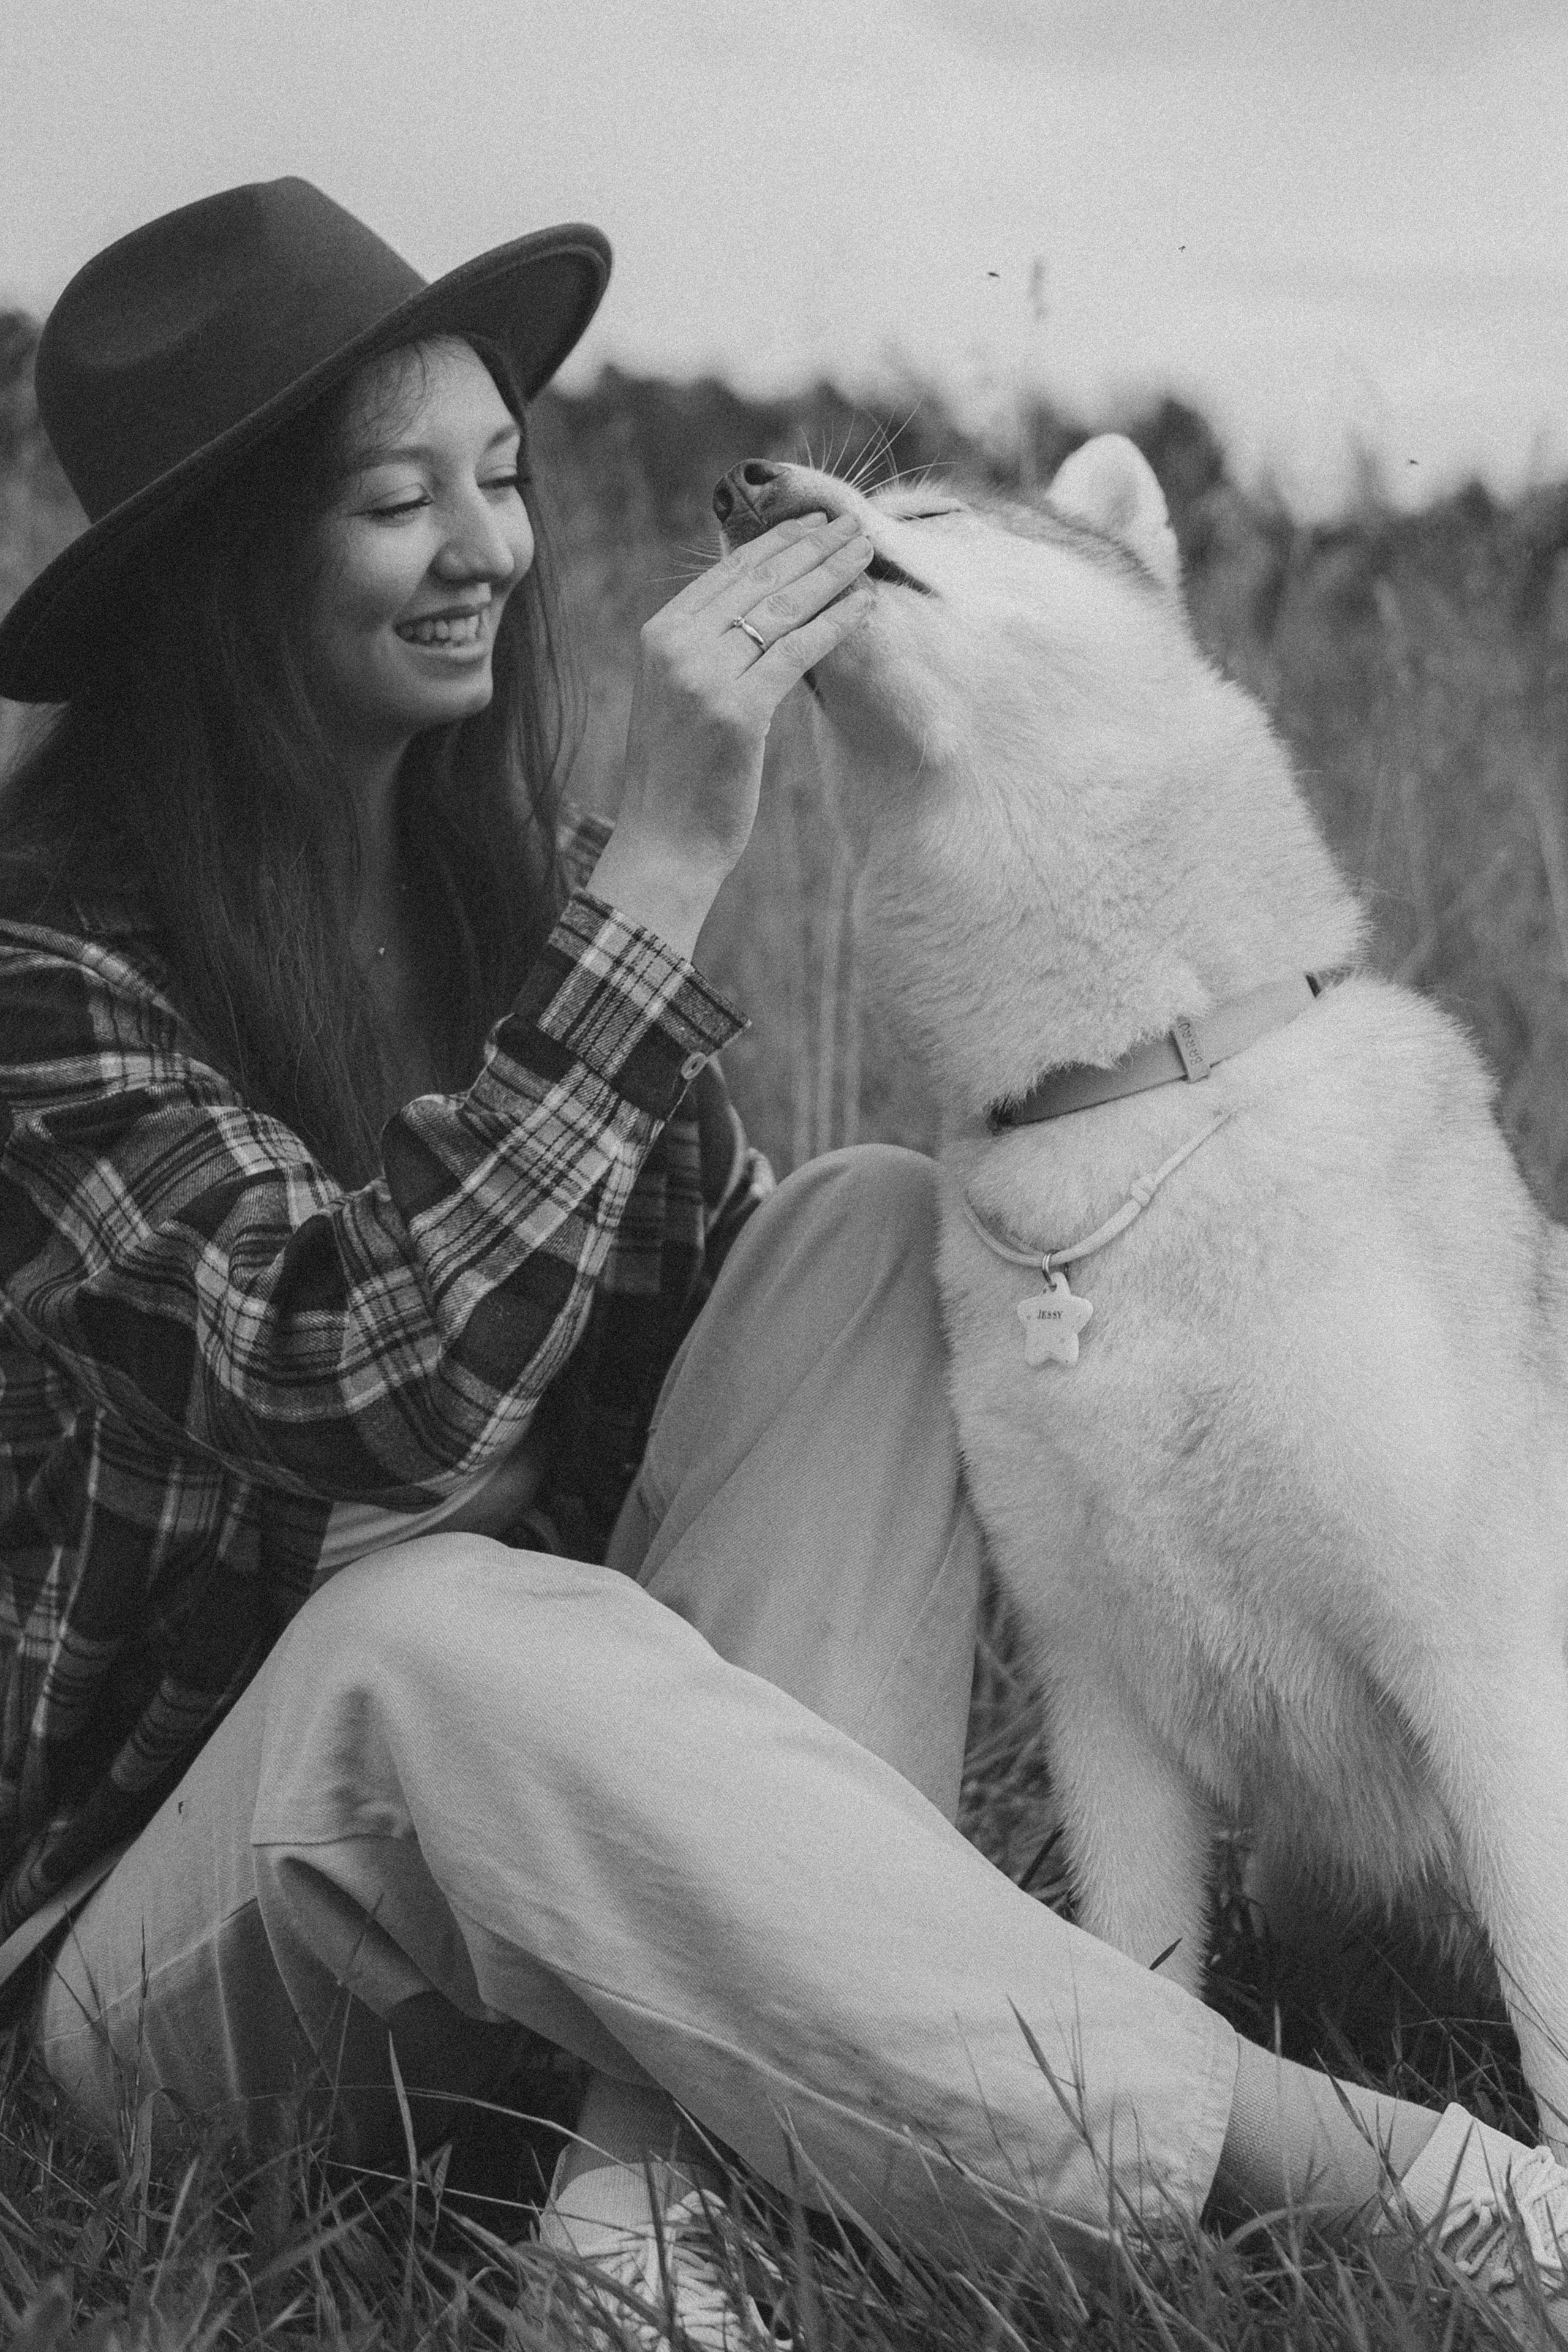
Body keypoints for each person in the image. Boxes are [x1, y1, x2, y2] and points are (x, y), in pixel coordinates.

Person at [0, 178, 1562, 2345]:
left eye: (506, 478)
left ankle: (642, 2202)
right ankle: (1377, 2170)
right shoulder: (43, 970)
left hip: (561, 1884)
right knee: (435, 1633)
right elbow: (350, 1393)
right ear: (217, 585)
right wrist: (664, 873)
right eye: (394, 501)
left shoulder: (504, 906)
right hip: (199, 1954)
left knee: (858, 1240)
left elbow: (742, 1410)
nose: (491, 551)